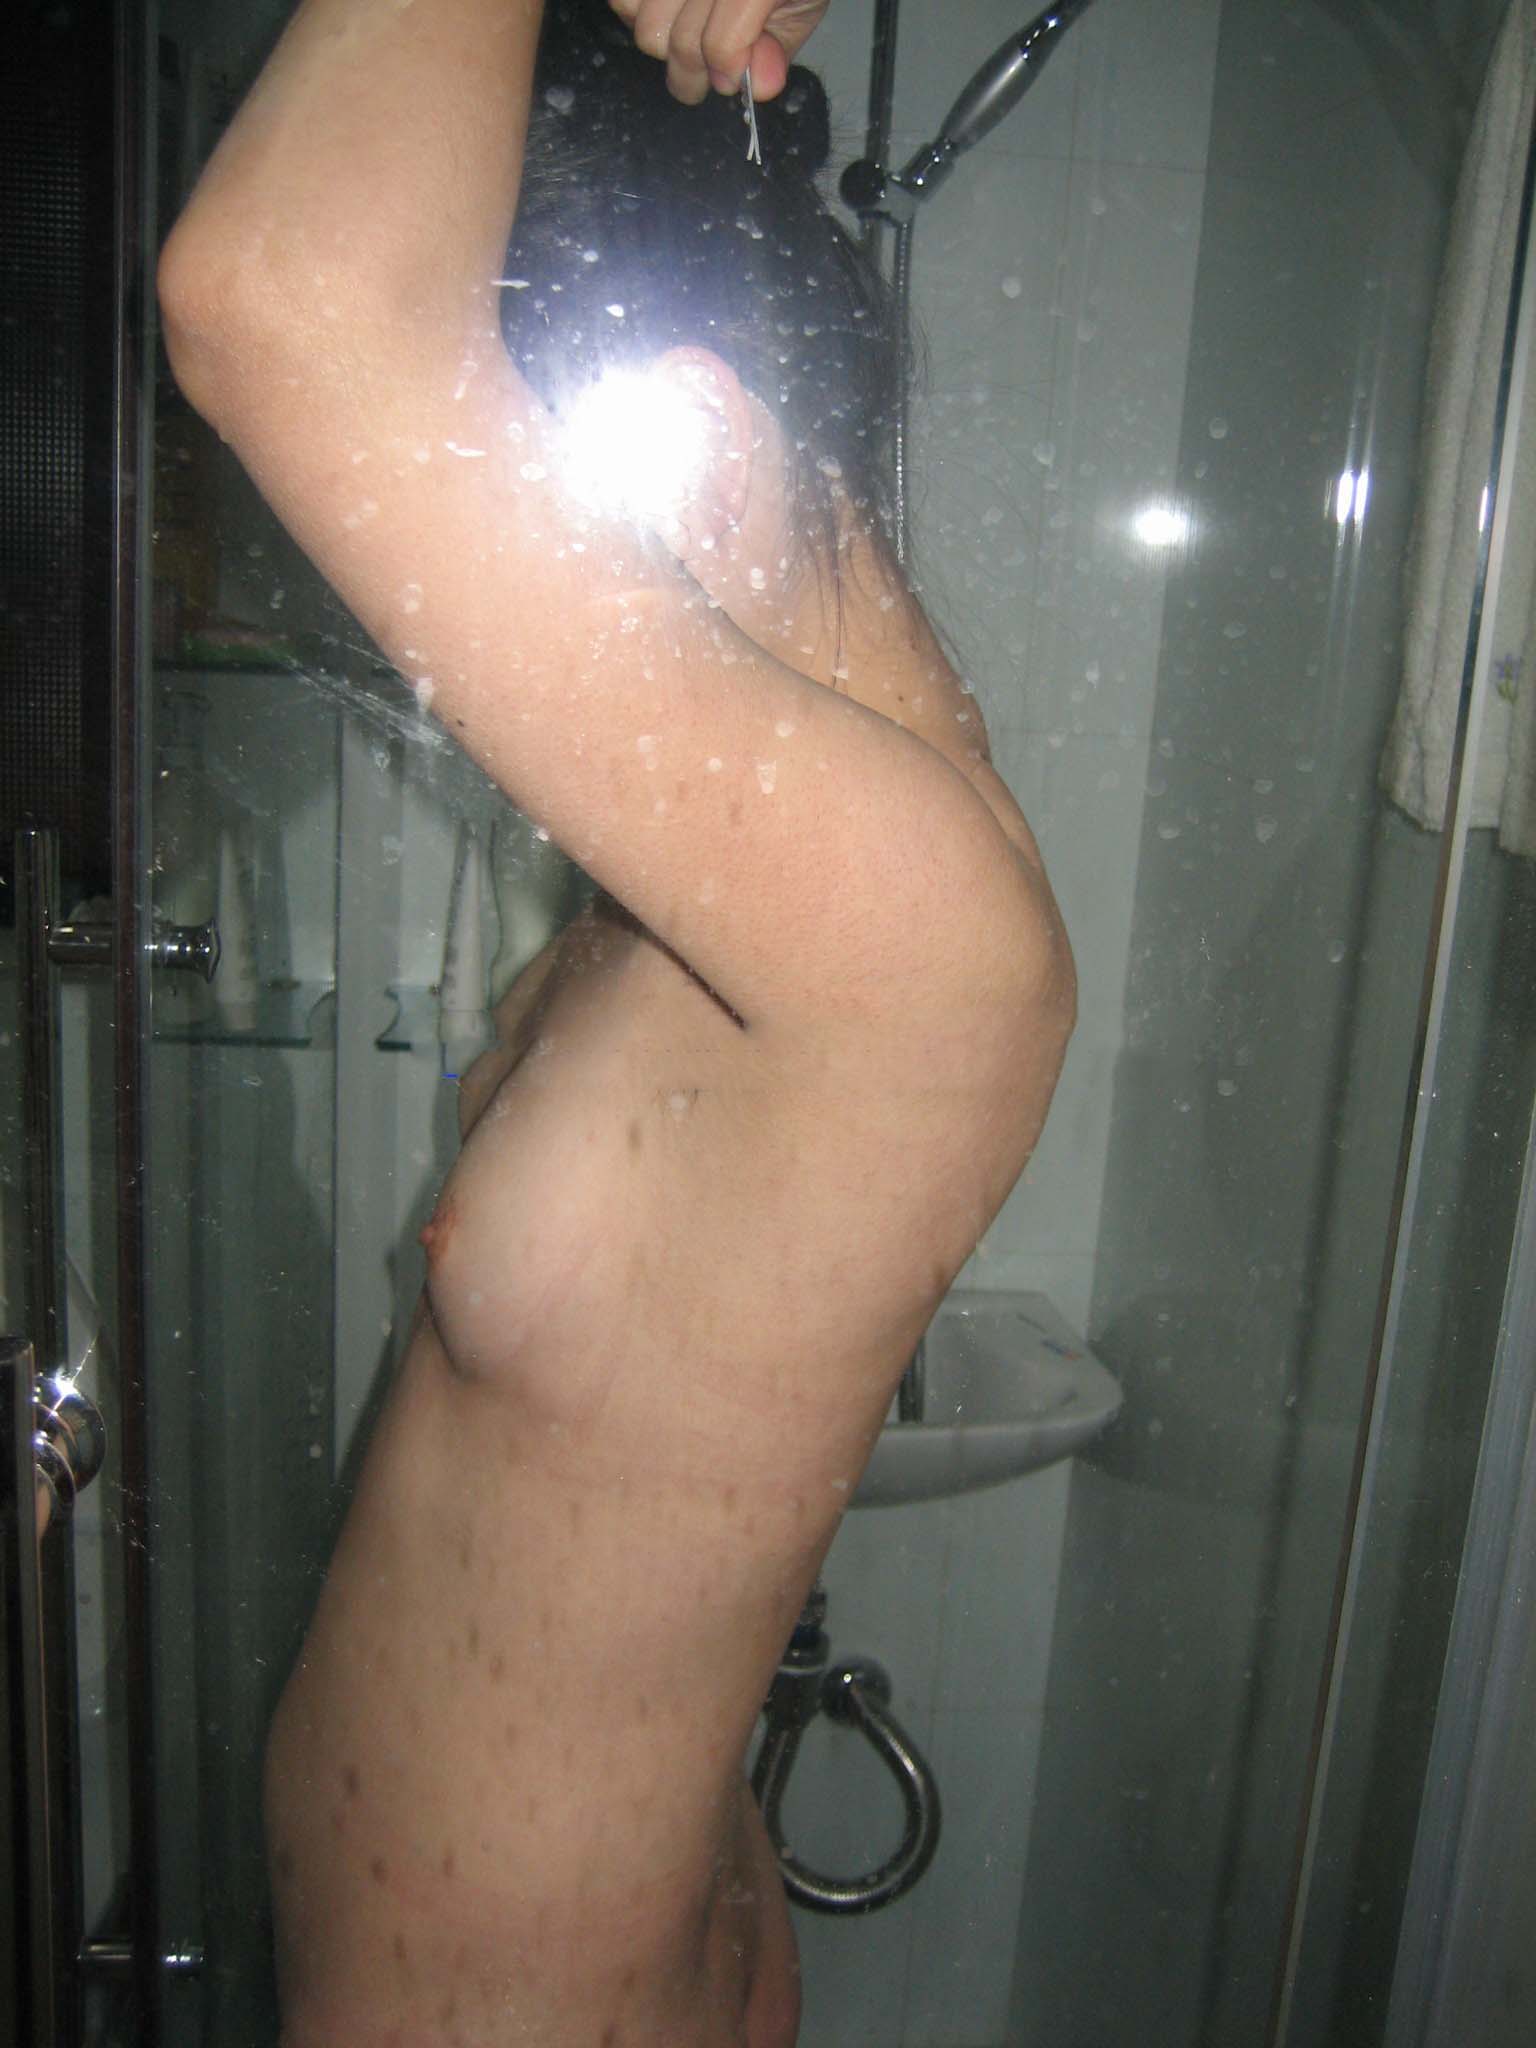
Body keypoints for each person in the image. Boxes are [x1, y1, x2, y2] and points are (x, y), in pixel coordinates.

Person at [158, 2, 1075, 2042]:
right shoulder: (763, 877)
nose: (444, 610)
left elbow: (272, 298)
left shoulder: (917, 927)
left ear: (682, 434)